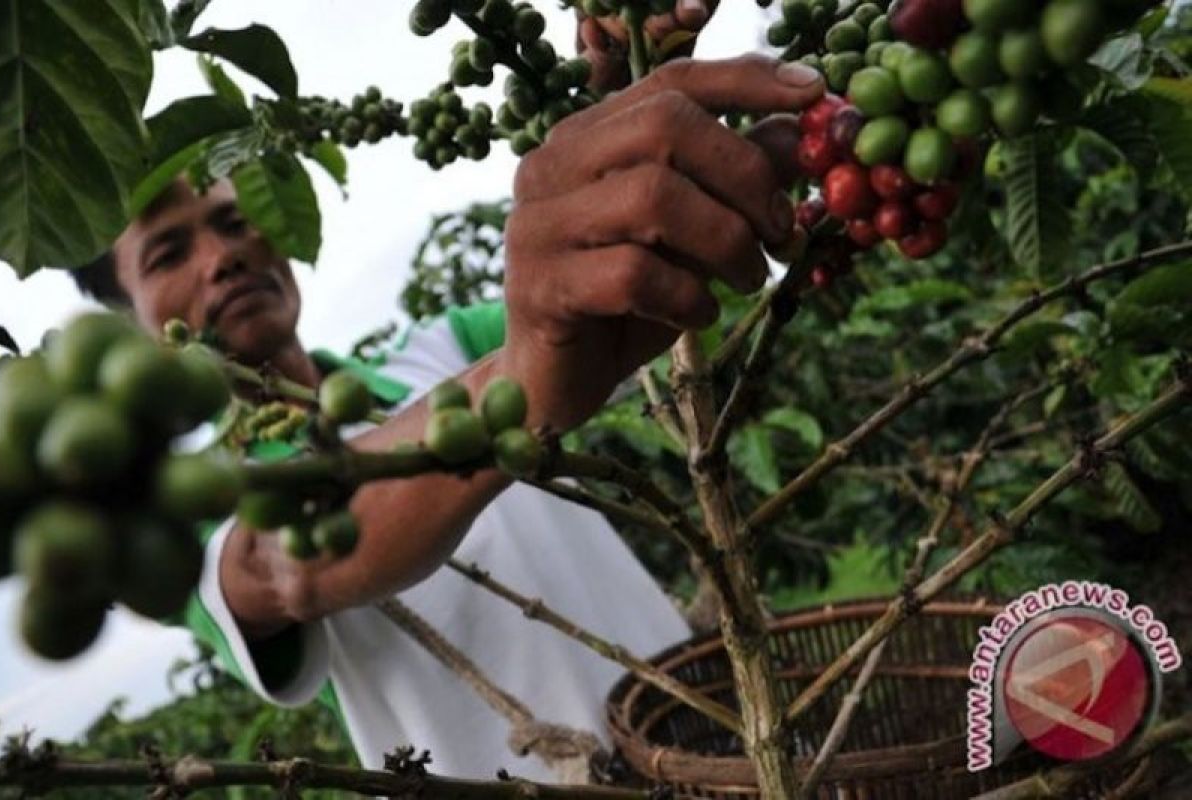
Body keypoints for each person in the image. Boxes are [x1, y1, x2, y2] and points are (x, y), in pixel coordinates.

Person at [67, 8, 824, 781]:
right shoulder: (187, 508)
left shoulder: (444, 349)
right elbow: (281, 567)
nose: (221, 258)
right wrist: (518, 381)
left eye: (234, 221)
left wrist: (620, 107)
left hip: (725, 753)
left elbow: (610, 282)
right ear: (130, 321)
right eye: (168, 253)